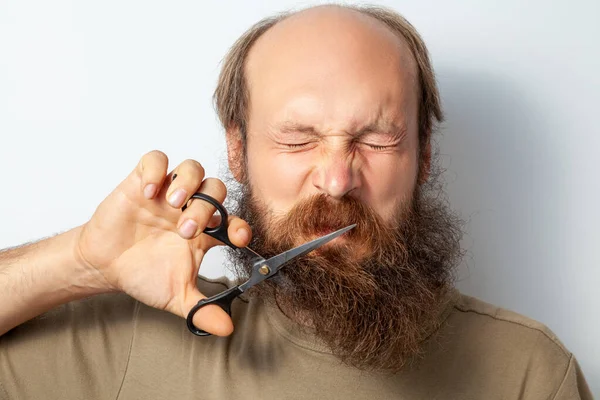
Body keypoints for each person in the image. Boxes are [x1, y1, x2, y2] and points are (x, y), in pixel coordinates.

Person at [0, 4, 592, 399]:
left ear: (424, 154)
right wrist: (80, 263)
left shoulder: (527, 373)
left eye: (377, 139)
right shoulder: (128, 342)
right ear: (238, 151)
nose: (337, 180)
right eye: (297, 140)